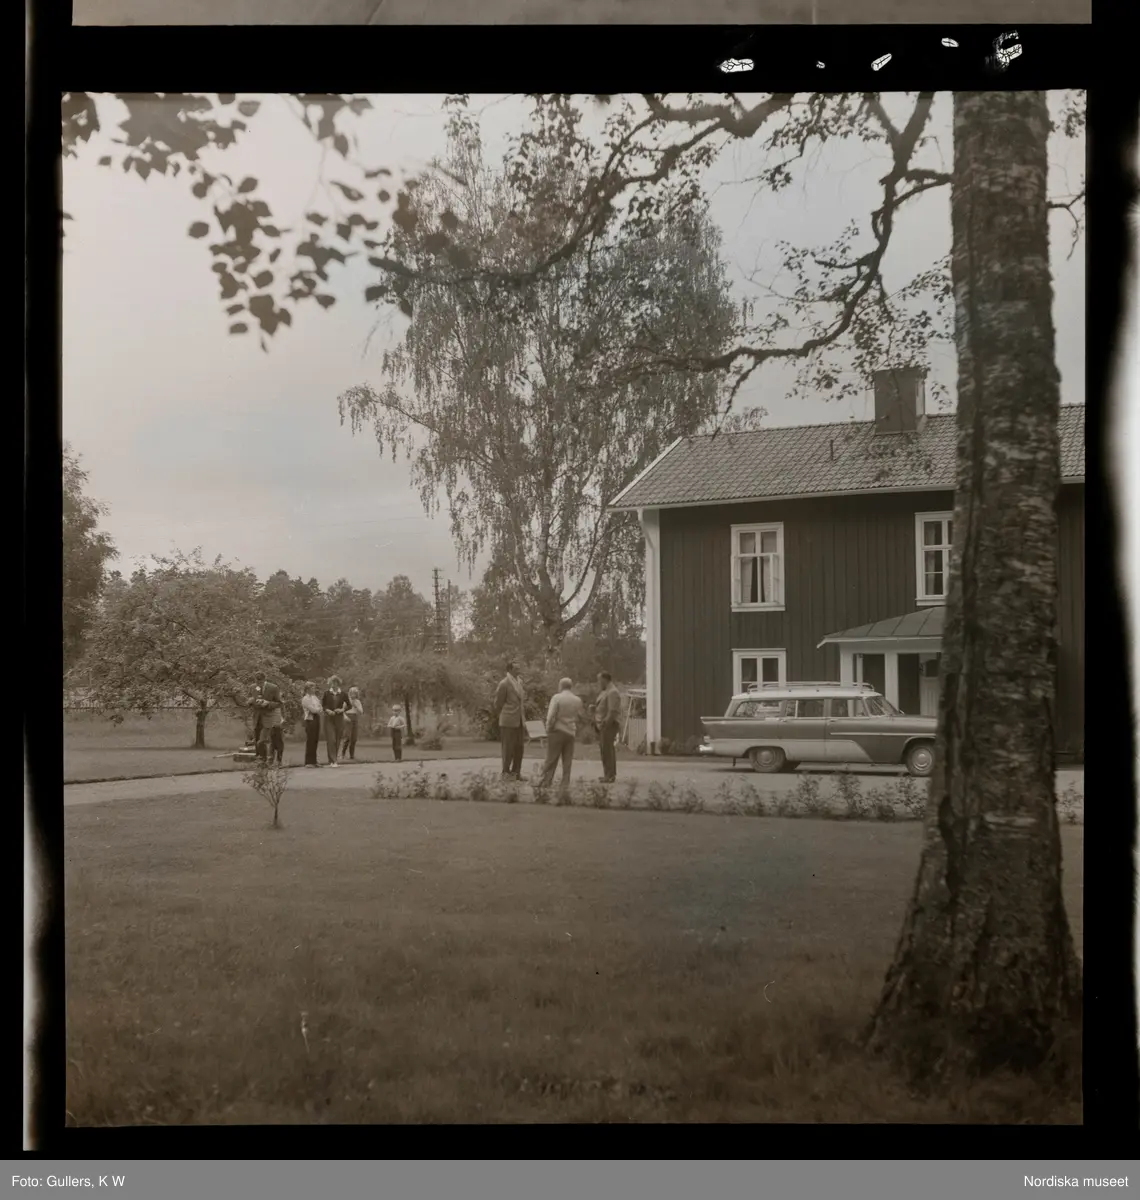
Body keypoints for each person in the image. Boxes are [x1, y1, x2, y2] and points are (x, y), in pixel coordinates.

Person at [540, 678, 586, 789]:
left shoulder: (557, 698)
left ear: (561, 686)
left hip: (557, 730)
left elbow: (551, 715)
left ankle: (546, 781)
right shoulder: (577, 700)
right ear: (570, 686)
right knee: (567, 759)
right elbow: (581, 716)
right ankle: (565, 782)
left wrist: (548, 728)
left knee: (552, 758)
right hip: (570, 732)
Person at [493, 660, 526, 780]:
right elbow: (498, 703)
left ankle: (516, 773)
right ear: (510, 670)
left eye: (519, 668)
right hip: (508, 720)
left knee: (519, 748)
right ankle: (505, 773)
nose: (519, 670)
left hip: (520, 720)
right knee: (508, 748)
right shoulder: (504, 683)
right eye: (516, 669)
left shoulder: (520, 682)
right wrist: (503, 715)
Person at [594, 671, 623, 783]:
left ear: (604, 680)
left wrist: (605, 723)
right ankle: (607, 773)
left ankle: (610, 775)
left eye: (599, 680)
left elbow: (613, 711)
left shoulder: (612, 692)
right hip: (603, 724)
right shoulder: (606, 691)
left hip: (609, 725)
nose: (598, 683)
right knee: (604, 750)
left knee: (607, 749)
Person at [322, 675, 350, 767]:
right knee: (331, 739)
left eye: (335, 682)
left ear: (338, 683)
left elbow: (349, 705)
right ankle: (333, 760)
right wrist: (327, 710)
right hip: (329, 718)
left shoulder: (343, 694)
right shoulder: (326, 693)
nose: (333, 684)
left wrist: (342, 710)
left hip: (339, 718)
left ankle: (332, 760)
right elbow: (323, 705)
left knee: (337, 739)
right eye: (332, 682)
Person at [257, 679, 285, 766]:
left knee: (279, 744)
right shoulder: (270, 704)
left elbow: (284, 715)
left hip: (278, 725)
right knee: (271, 743)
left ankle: (279, 761)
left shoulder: (280, 704)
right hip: (271, 725)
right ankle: (270, 760)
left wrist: (282, 722)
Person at [301, 681, 323, 767]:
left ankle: (314, 761)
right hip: (310, 719)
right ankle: (308, 762)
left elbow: (320, 707)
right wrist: (317, 709)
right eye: (312, 688)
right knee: (310, 740)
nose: (314, 689)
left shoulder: (315, 697)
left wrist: (318, 709)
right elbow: (313, 710)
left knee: (315, 740)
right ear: (308, 689)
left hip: (316, 718)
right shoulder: (305, 699)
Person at [340, 686, 364, 762]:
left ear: (357, 694)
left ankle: (351, 755)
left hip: (355, 718)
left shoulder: (358, 701)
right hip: (348, 718)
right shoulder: (346, 701)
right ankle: (342, 754)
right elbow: (342, 711)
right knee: (347, 737)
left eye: (355, 693)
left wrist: (356, 706)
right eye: (352, 693)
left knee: (354, 738)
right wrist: (345, 717)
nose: (353, 695)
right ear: (349, 693)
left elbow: (361, 712)